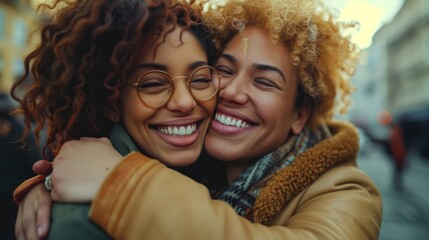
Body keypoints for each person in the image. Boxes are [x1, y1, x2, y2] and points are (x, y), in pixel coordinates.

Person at [15, 0, 383, 239]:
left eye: (265, 81)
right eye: (220, 71)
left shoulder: (347, 190)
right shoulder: (195, 163)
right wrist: (49, 183)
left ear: (299, 116)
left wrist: (122, 184)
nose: (232, 92)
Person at [11, 0, 220, 239]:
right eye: (152, 84)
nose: (185, 102)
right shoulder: (85, 222)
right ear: (111, 103)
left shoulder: (214, 173)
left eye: (201, 79)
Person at [0, 92, 42, 240]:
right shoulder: (20, 132)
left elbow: (34, 163)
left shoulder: (20, 133)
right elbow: (34, 162)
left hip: (16, 194)